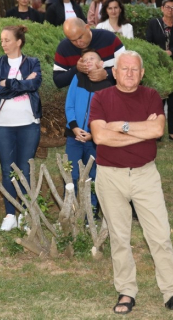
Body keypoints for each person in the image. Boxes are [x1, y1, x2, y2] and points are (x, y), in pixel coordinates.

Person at [89, 50, 173, 315]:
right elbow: (100, 138)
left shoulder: (151, 97)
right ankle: (126, 291)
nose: (129, 73)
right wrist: (140, 131)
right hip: (110, 176)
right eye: (124, 69)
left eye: (134, 69)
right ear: (114, 73)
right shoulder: (101, 98)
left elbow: (158, 130)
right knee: (120, 237)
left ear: (142, 73)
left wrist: (120, 126)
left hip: (145, 175)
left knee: (160, 236)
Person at [0, 25, 42, 231]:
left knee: (25, 169)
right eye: (1, 40)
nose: (3, 44)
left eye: (7, 40)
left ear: (18, 42)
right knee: (7, 169)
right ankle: (10, 214)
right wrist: (19, 83)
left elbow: (34, 85)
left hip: (29, 125)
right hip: (2, 126)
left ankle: (25, 214)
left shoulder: (33, 62)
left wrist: (7, 84)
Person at [65, 49, 111, 219]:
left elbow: (107, 114)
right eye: (84, 59)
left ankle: (91, 210)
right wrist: (75, 127)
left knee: (93, 175)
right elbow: (69, 105)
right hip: (74, 136)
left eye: (92, 58)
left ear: (101, 64)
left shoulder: (107, 86)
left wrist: (93, 133)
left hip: (95, 139)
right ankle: (70, 208)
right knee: (72, 173)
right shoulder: (77, 79)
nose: (88, 61)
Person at [146, 0, 173, 142]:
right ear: (162, 8)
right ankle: (157, 132)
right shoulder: (153, 23)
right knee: (158, 101)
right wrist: (160, 54)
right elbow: (148, 42)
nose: (170, 10)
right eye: (167, 7)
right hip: (158, 67)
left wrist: (171, 52)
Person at [53, 17, 125, 90]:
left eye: (80, 37)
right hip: (83, 98)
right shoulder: (64, 48)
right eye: (73, 41)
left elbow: (127, 68)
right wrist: (77, 69)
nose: (78, 43)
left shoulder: (109, 39)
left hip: (113, 95)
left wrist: (106, 74)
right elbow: (58, 81)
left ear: (87, 27)